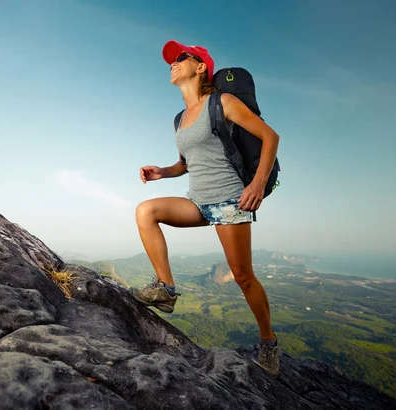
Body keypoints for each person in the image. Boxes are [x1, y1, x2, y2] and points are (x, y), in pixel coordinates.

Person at [129, 40, 281, 376]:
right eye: (172, 59)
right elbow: (187, 163)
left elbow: (271, 138)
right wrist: (163, 172)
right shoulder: (180, 118)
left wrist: (256, 184)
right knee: (146, 211)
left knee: (243, 277)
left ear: (201, 67)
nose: (173, 62)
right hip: (198, 201)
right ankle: (166, 290)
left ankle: (268, 343)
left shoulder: (221, 102)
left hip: (230, 200)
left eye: (181, 58)